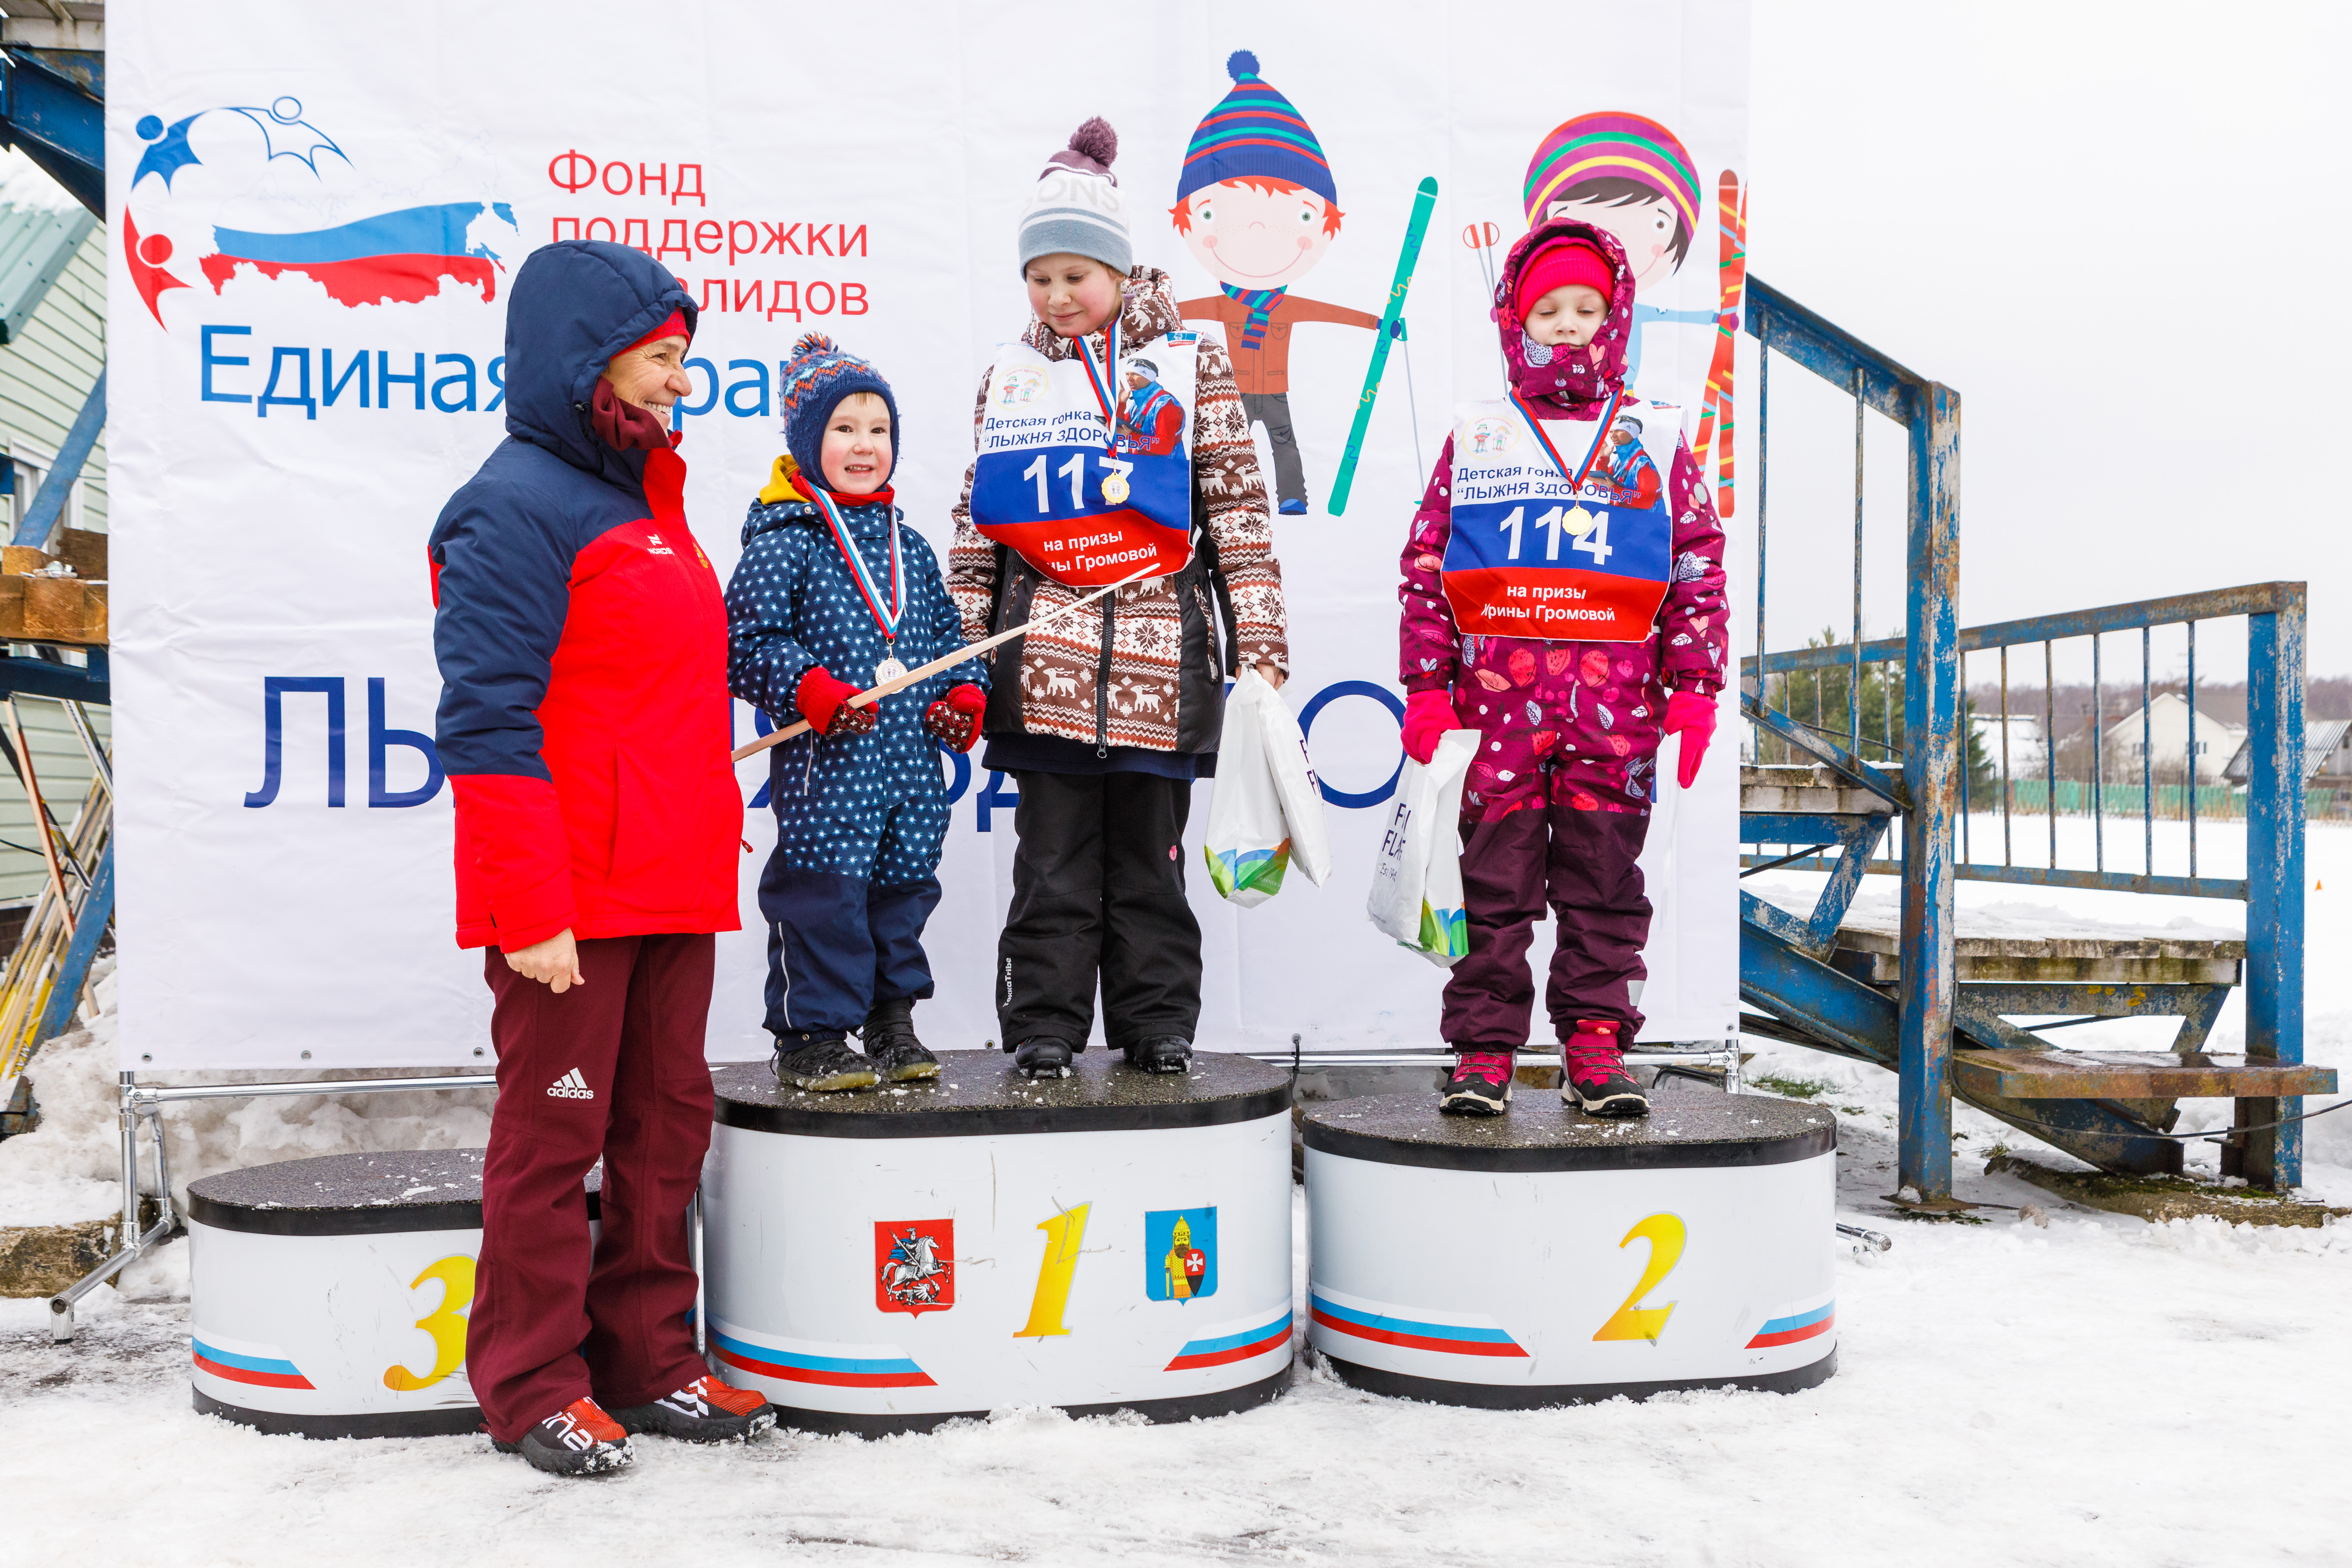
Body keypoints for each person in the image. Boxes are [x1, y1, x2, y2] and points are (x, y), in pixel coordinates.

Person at [431, 239, 775, 1476]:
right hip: (570, 902)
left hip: (672, 881)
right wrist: (528, 906)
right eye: (661, 356)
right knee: (554, 1136)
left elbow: (650, 699)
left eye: (684, 356)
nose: (682, 379)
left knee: (663, 1129)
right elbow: (488, 720)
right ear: (589, 359)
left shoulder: (649, 506)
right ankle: (531, 1382)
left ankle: (650, 1357)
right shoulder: (511, 504)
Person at [947, 118, 1289, 1079]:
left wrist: (1260, 645)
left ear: (1119, 268)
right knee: (1049, 866)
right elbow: (977, 528)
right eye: (1038, 278)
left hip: (1160, 672)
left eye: (1075, 275)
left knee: (1151, 866)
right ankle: (1044, 1026)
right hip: (1043, 671)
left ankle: (1157, 1023)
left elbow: (1236, 511)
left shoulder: (1189, 363)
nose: (1057, 296)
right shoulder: (1011, 377)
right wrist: (965, 651)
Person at [1395, 220, 1729, 1118]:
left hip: (1613, 721)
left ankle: (1594, 1045)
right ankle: (1483, 1050)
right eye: (1548, 310)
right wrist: (1426, 688)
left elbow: (1694, 564)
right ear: (1517, 322)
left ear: (1613, 318)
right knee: (1490, 890)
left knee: (1604, 889)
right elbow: (1427, 567)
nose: (1568, 324)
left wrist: (1695, 689)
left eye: (1586, 307)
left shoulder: (1652, 437)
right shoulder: (1480, 437)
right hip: (1495, 718)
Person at [726, 334, 987, 1092]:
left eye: (879, 429)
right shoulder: (786, 542)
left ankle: (890, 1019)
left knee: (902, 892)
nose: (865, 445)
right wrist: (807, 686)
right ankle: (810, 1035)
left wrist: (962, 693)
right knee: (825, 896)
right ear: (808, 441)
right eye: (844, 428)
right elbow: (744, 641)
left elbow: (950, 638)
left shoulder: (911, 545)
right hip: (829, 772)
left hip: (910, 773)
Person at [1172, 50, 1381, 514]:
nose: (1256, 233)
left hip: (1275, 388)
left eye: (1298, 216)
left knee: (1284, 444)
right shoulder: (1226, 302)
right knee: (1223, 451)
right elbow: (1182, 310)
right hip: (1236, 390)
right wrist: (1138, 311)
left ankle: (1291, 496)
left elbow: (1329, 313)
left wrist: (1376, 323)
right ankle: (1212, 504)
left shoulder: (1283, 305)